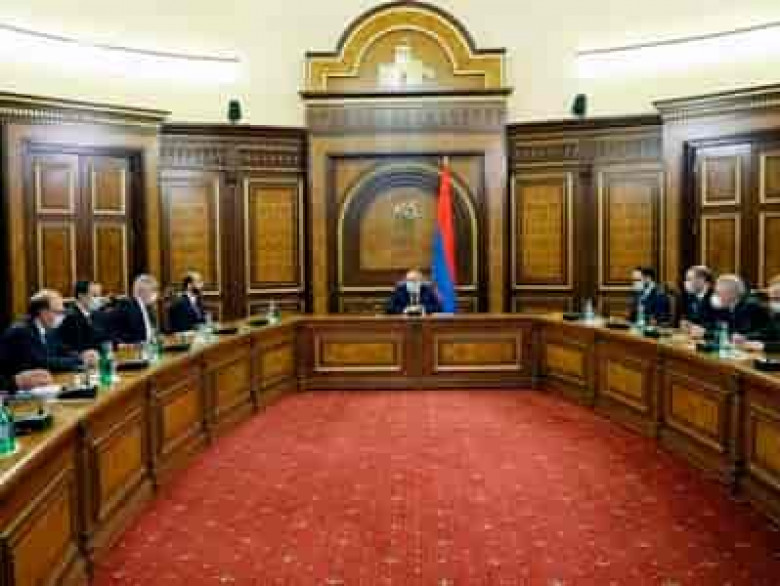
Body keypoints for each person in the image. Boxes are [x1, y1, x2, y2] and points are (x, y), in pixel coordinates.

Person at [0, 290, 98, 375]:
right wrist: (80, 360)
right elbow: (41, 363)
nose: (62, 317)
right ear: (43, 312)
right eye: (58, 312)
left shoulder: (49, 330)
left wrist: (82, 355)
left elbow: (62, 350)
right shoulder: (21, 331)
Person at [703, 274, 769, 340]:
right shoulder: (726, 307)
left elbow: (766, 333)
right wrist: (705, 332)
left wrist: (745, 337)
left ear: (732, 293)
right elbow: (720, 329)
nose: (717, 297)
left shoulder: (751, 307)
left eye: (719, 293)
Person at [58, 280, 109, 353]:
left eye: (99, 295)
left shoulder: (96, 315)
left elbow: (103, 337)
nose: (99, 299)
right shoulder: (70, 317)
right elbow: (69, 347)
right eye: (94, 295)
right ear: (81, 295)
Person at [109, 274, 159, 344]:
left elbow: (152, 330)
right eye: (153, 290)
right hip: (133, 348)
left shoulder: (149, 308)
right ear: (142, 292)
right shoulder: (126, 306)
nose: (156, 294)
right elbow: (116, 334)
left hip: (149, 346)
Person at [736, 275, 780, 353]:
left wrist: (764, 346)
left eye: (778, 299)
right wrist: (745, 337)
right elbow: (768, 333)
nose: (773, 303)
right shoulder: (776, 314)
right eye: (773, 299)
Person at [679, 265, 716, 330]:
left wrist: (704, 330)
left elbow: (719, 325)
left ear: (701, 280)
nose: (685, 283)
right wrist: (685, 323)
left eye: (689, 279)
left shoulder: (716, 297)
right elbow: (686, 318)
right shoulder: (689, 297)